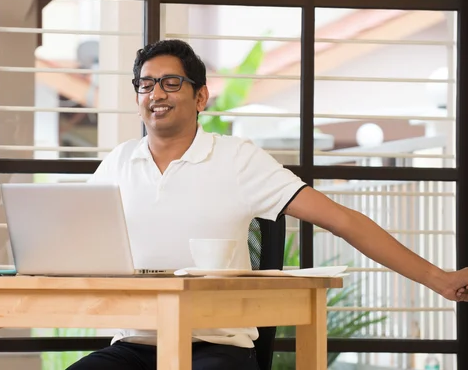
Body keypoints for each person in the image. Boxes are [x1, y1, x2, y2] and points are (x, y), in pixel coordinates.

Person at [68, 39, 468, 370]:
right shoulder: (118, 163)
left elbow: (342, 220)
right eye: (146, 84)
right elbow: (73, 242)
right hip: (135, 344)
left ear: (200, 96)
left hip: (215, 347)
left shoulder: (238, 159)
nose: (156, 93)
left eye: (171, 83)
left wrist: (439, 278)